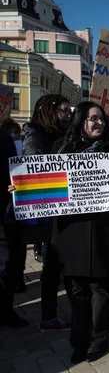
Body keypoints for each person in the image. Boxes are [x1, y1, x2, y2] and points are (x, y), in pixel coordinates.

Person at [49, 89, 109, 363]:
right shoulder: (60, 148)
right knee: (76, 290)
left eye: (101, 118)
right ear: (80, 121)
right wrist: (23, 190)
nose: (99, 123)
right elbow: (43, 180)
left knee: (100, 288)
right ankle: (79, 340)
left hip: (102, 230)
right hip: (71, 231)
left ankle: (99, 340)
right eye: (92, 119)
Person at [19, 94, 73, 332]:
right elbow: (35, 170)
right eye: (63, 111)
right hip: (49, 212)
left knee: (62, 264)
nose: (67, 115)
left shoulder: (62, 132)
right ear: (49, 111)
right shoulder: (37, 134)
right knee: (53, 266)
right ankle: (48, 317)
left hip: (66, 208)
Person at [0, 127, 28, 328]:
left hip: (6, 213)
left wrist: (12, 184)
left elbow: (11, 168)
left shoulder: (3, 137)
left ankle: (5, 311)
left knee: (7, 266)